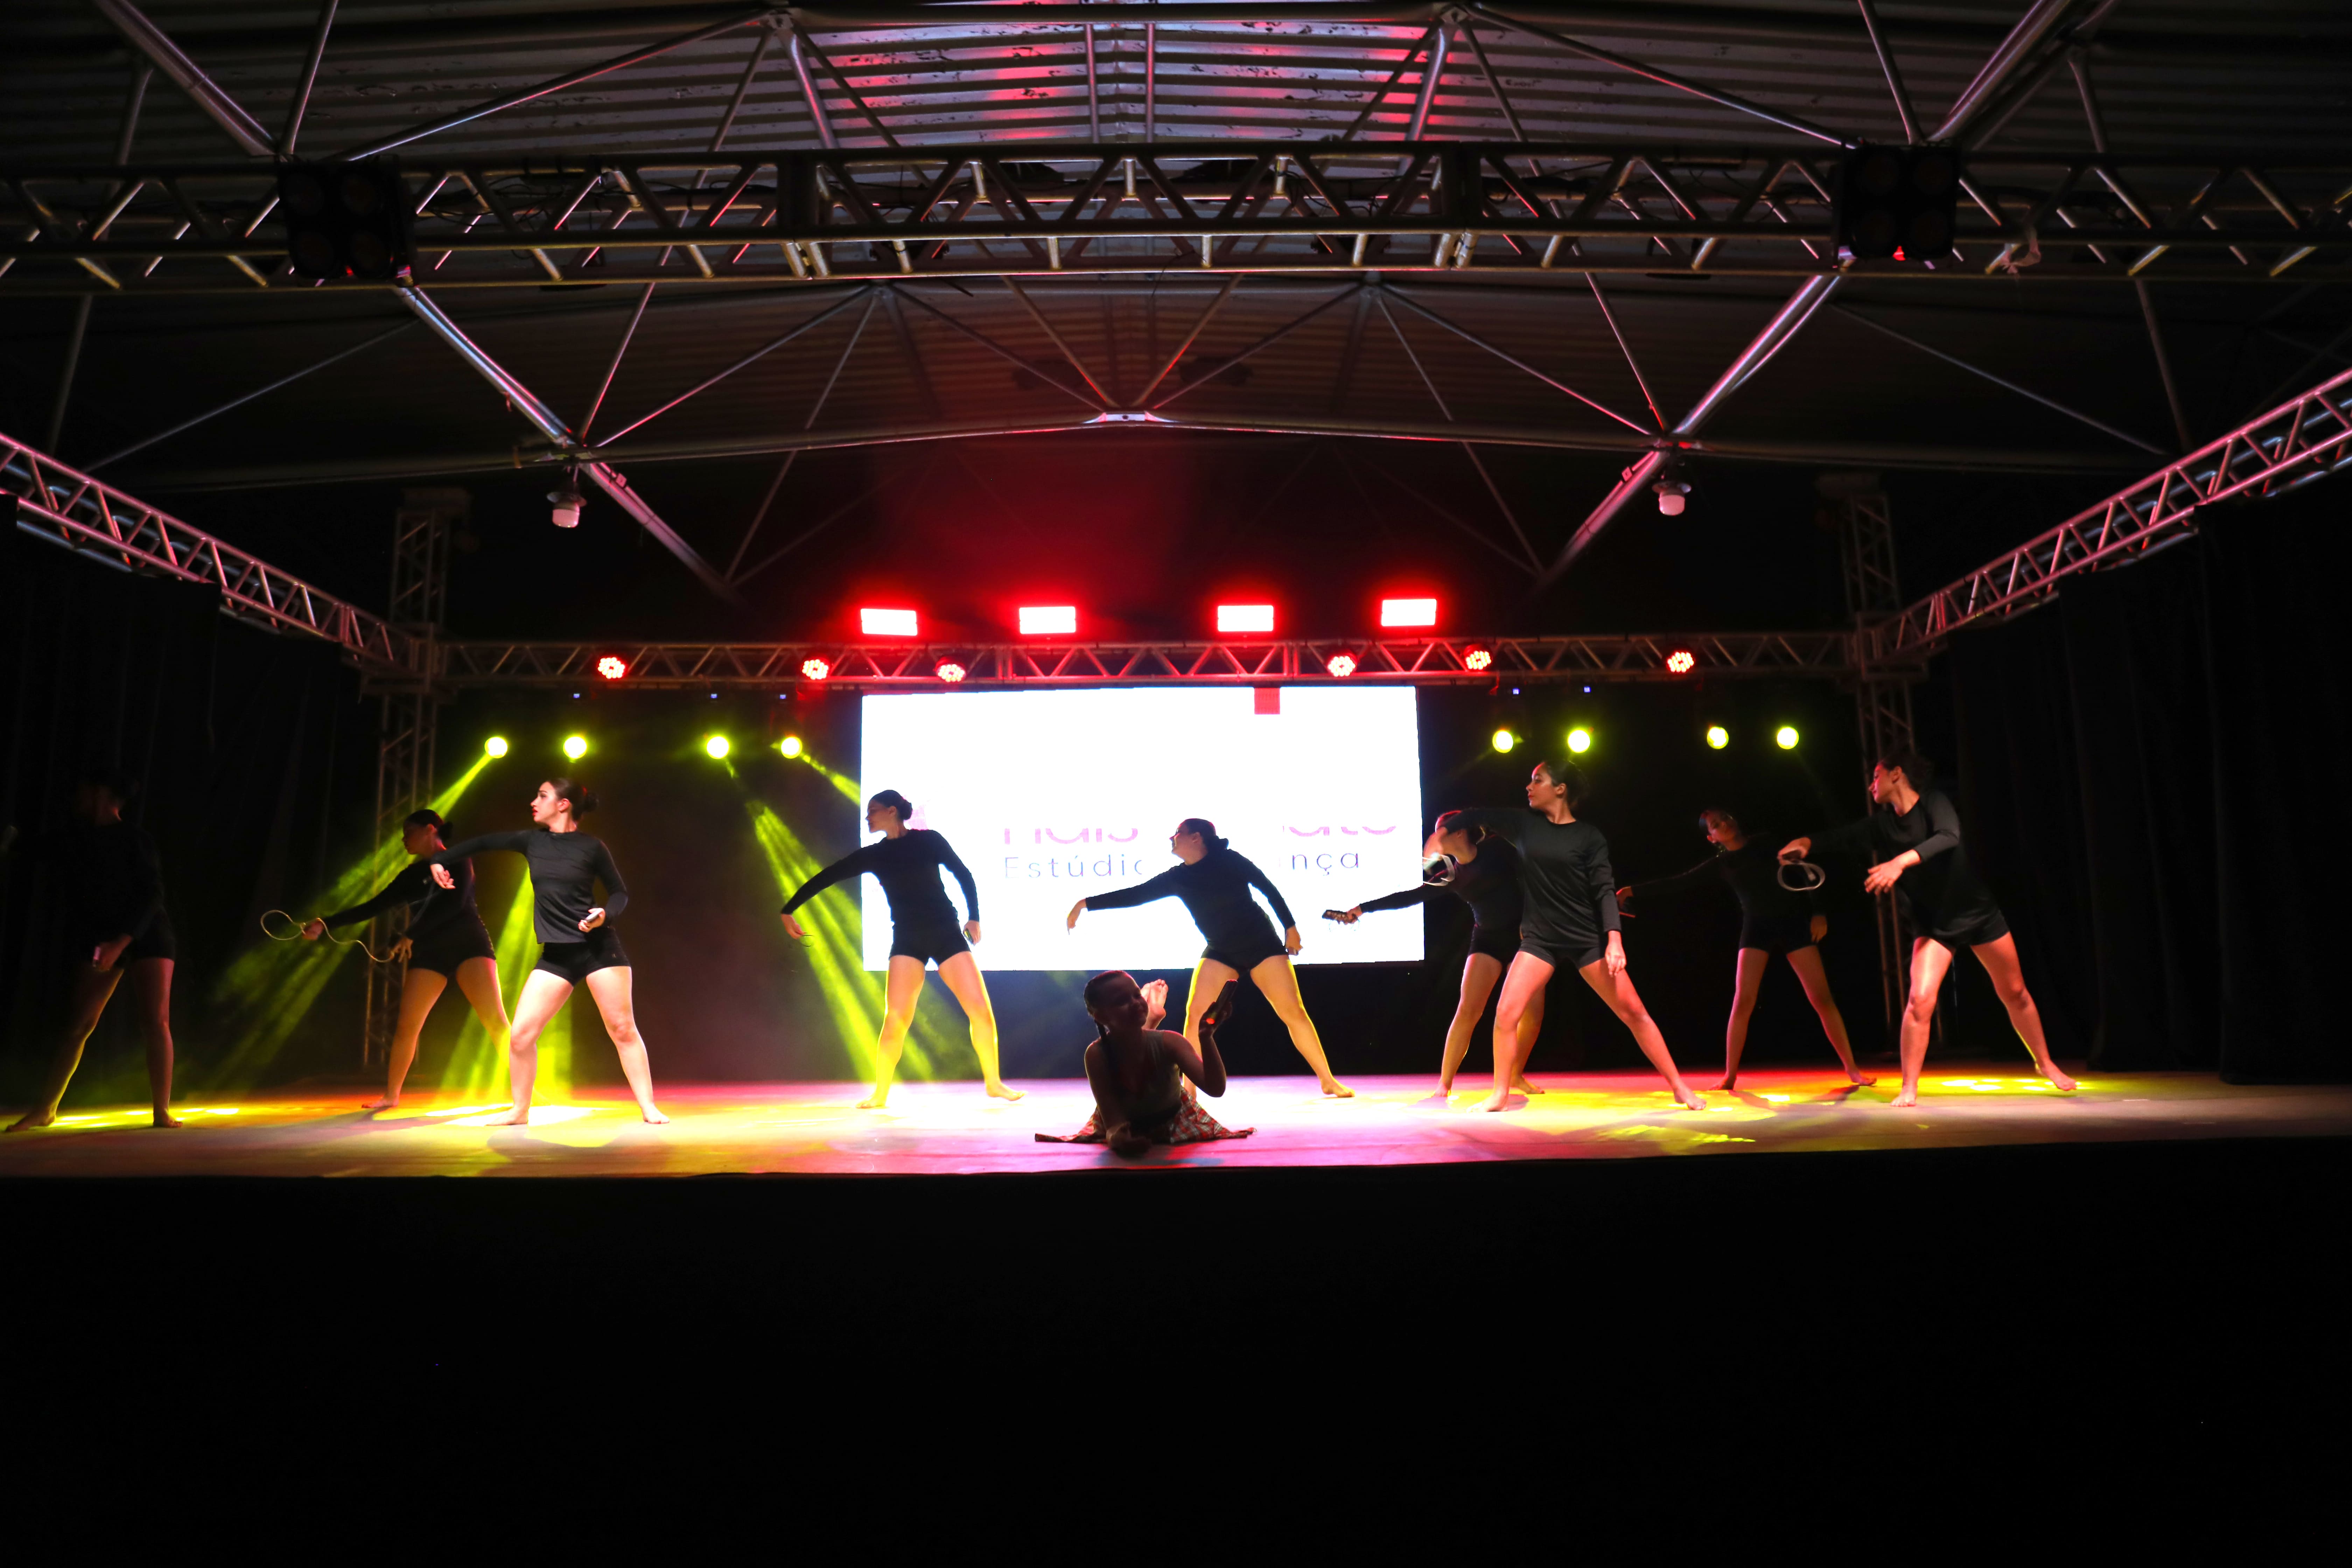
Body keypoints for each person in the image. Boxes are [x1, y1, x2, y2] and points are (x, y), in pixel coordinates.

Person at [1781, 749, 2077, 1107]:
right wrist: (1806, 844)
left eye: (1877, 776)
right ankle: (1909, 1087)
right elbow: (1841, 837)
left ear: (1896, 774)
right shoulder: (1882, 826)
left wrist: (1899, 863)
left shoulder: (1934, 802)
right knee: (1920, 1001)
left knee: (2016, 992)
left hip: (1978, 914)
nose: (1872, 784)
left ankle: (2045, 1064)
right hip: (1934, 925)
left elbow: (1949, 835)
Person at [1448, 761, 1706, 1113]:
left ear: (1561, 789)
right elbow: (1475, 815)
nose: (1529, 786)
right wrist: (1441, 835)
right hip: (1540, 939)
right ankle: (1500, 1093)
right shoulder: (1524, 825)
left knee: (1634, 1013)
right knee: (1506, 1014)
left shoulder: (1588, 837)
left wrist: (1614, 939)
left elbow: (1604, 890)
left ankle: (1679, 1087)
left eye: (1538, 780)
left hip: (1586, 938)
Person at [425, 777, 666, 1125]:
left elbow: (619, 893)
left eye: (542, 796)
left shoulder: (592, 847)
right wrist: (439, 859)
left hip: (598, 949)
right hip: (557, 955)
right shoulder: (532, 841)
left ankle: (649, 1107)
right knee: (521, 1036)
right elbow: (483, 842)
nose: (534, 802)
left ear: (563, 804)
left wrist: (605, 914)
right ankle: (520, 1110)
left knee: (622, 1028)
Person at [1067, 818, 1351, 1098]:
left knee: (1293, 1013)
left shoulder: (1230, 861)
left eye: (1178, 833)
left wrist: (1291, 929)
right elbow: (1136, 895)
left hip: (1262, 945)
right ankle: (1189, 1092)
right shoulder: (1177, 878)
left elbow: (1268, 889)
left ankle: (1328, 1081)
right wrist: (1085, 905)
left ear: (1197, 837)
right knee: (1196, 1016)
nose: (1172, 838)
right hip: (1221, 950)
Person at [780, 788, 1019, 1110]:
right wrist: (789, 909)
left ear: (892, 811)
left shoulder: (929, 840)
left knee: (980, 1010)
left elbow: (964, 874)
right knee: (896, 1018)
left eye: (873, 811)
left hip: (946, 932)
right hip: (908, 938)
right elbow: (829, 876)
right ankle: (880, 1093)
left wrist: (974, 916)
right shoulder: (874, 855)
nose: (867, 817)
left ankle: (994, 1083)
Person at [1621, 807, 1872, 1092]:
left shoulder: (1767, 842)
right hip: (1757, 930)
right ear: (1712, 838)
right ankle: (1730, 1076)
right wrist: (1632, 891)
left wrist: (1819, 913)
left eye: (1725, 818)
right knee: (1743, 1001)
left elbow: (1804, 873)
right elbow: (1677, 882)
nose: (1724, 824)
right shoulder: (1722, 864)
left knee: (1822, 998)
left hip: (1793, 924)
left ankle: (1853, 1070)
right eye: (1716, 825)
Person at [301, 808, 511, 1113]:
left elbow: (455, 904)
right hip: (430, 951)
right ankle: (391, 1095)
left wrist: (411, 934)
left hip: (468, 945)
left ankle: (528, 1091)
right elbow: (372, 907)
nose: (403, 840)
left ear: (430, 830)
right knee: (407, 1027)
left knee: (496, 1021)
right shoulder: (410, 877)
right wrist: (325, 923)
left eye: (408, 833)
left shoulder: (458, 859)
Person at [5, 772, 179, 1132]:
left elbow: (153, 895)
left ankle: (161, 1111)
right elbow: (25, 847)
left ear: (100, 793)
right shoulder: (74, 838)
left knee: (156, 1021)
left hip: (147, 934)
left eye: (83, 791)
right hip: (103, 936)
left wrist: (121, 942)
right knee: (79, 1025)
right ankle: (45, 1109)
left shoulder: (136, 839)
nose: (77, 797)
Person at [1334, 811, 1546, 1099]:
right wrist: (1362, 909)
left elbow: (1533, 881)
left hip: (1524, 938)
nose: (1435, 839)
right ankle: (1444, 1084)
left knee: (1532, 1014)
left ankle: (1515, 1075)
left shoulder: (1497, 849)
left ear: (1460, 832)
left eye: (1441, 832)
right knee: (1468, 1010)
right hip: (1487, 940)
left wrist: (1533, 924)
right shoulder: (1450, 874)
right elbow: (1410, 897)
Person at [1036, 972, 1253, 1154]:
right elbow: (1113, 1121)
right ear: (1101, 1017)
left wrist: (1206, 1037)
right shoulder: (1096, 1055)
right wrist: (1118, 1138)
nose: (1135, 1003)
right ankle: (1153, 1018)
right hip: (1128, 1124)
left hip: (1171, 1120)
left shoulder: (1171, 1042)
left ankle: (1153, 1018)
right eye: (1122, 1001)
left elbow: (1216, 1088)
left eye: (1137, 995)